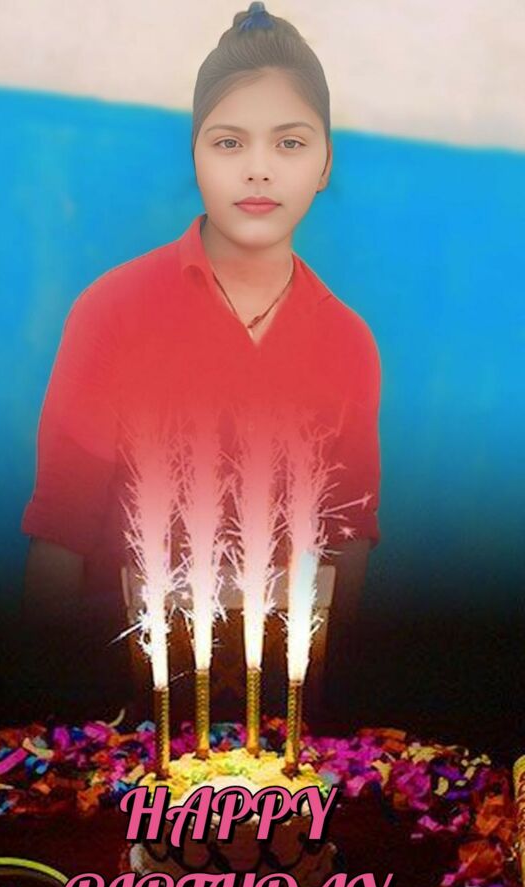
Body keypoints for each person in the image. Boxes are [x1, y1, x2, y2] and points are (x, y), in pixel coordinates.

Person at [21, 2, 381, 720]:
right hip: (117, 717)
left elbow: (346, 554)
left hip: (281, 727)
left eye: (289, 143)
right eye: (228, 143)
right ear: (196, 156)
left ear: (325, 164)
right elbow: (58, 543)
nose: (258, 170)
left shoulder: (348, 342)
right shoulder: (112, 313)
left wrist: (314, 724)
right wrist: (49, 724)